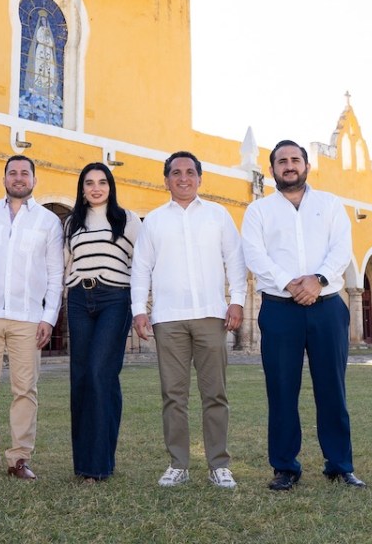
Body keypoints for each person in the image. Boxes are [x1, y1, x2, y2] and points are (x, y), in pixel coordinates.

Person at [241, 140, 366, 491]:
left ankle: (340, 465)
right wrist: (291, 284)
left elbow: (341, 248)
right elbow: (254, 254)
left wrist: (318, 279)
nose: (289, 165)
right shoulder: (259, 211)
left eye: (295, 159)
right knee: (281, 390)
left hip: (327, 307)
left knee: (332, 389)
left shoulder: (329, 205)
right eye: (282, 161)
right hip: (280, 309)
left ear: (307, 166)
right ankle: (284, 467)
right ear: (272, 170)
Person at [131, 151, 246, 489]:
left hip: (212, 315)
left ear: (200, 177)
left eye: (190, 172)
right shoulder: (153, 221)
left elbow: (234, 261)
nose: (184, 178)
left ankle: (218, 464)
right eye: (176, 172)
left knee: (215, 394)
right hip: (168, 319)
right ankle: (178, 463)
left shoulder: (218, 216)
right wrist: (139, 309)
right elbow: (140, 269)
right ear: (166, 179)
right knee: (173, 394)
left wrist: (236, 301)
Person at [0, 155, 64, 481]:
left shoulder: (48, 222)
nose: (18, 178)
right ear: (4, 177)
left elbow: (55, 273)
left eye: (25, 173)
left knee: (25, 389)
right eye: (13, 173)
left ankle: (19, 458)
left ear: (34, 180)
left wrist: (48, 318)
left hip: (28, 317)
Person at [64, 162, 142, 482]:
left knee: (100, 372)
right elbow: (65, 265)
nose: (96, 188)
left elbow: (142, 265)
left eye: (102, 182)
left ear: (111, 186)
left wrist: (141, 307)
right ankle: (86, 463)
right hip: (79, 301)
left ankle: (98, 465)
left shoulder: (127, 220)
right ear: (82, 189)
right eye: (89, 183)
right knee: (82, 379)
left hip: (114, 299)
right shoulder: (71, 223)